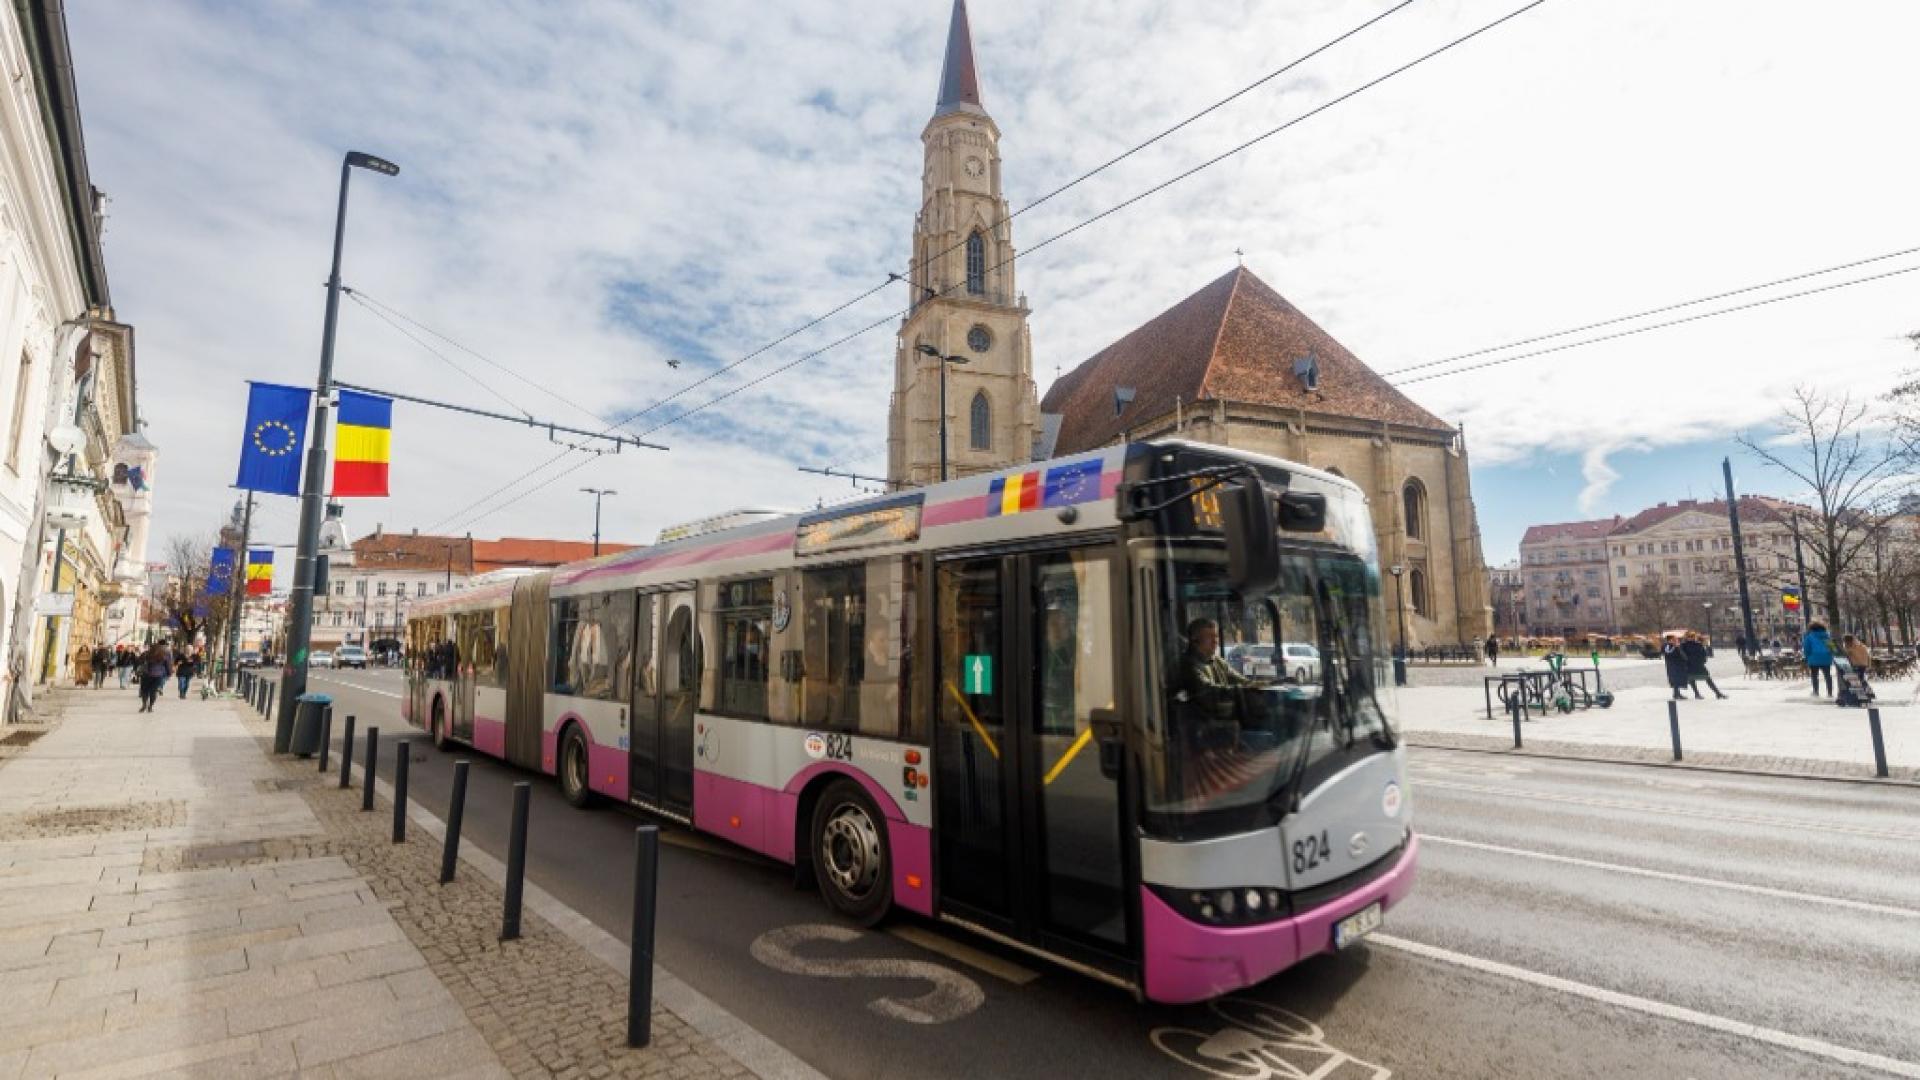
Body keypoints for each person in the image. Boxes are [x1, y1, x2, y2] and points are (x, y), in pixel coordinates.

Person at [1172, 617, 1276, 752]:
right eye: (1210, 637)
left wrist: (1268, 683)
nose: (1216, 641)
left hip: (1224, 724)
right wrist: (1240, 689)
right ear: (1195, 640)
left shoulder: (1217, 661)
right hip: (1204, 729)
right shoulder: (1189, 665)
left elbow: (1241, 681)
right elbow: (1206, 691)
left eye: (1216, 636)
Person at [1681, 632, 1727, 700]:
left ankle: (1717, 693)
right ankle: (1698, 694)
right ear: (1687, 637)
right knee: (1693, 680)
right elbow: (1683, 655)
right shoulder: (1686, 645)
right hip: (1692, 665)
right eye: (1690, 636)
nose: (1692, 638)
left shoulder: (1695, 645)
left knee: (1706, 679)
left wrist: (1703, 660)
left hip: (1695, 664)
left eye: (1693, 636)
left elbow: (1703, 654)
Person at [1802, 622, 1834, 697]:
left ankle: (1816, 691)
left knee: (1814, 676)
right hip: (1826, 658)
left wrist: (1807, 657)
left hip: (1813, 658)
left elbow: (1807, 649)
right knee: (1827, 675)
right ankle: (1830, 693)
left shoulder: (1809, 637)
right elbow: (1832, 648)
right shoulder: (1827, 636)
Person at [138, 642, 171, 712]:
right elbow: (167, 665)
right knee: (153, 691)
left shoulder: (145, 654)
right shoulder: (163, 655)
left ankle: (144, 704)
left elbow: (139, 662)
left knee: (144, 691)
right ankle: (150, 706)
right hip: (158, 676)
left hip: (146, 675)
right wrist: (168, 674)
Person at [1661, 634, 1691, 701]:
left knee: (1674, 680)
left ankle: (1676, 694)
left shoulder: (1664, 646)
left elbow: (1664, 653)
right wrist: (1678, 647)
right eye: (1674, 639)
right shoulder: (1676, 647)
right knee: (1677, 680)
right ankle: (1677, 694)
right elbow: (1683, 656)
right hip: (1678, 665)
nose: (1676, 640)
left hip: (1670, 665)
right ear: (1670, 640)